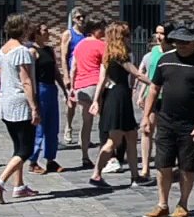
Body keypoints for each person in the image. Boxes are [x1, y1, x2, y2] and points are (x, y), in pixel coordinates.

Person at [141, 22, 194, 217]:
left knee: (187, 167)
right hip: (166, 120)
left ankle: (183, 203)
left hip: (190, 124)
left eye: (186, 42)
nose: (181, 45)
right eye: (178, 41)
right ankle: (162, 204)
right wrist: (146, 116)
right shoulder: (165, 60)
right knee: (163, 165)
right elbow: (154, 88)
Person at [89, 22, 151, 187]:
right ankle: (96, 174)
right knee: (113, 140)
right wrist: (155, 83)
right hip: (119, 97)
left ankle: (135, 176)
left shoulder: (108, 55)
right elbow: (137, 73)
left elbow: (102, 79)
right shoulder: (120, 56)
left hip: (114, 96)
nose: (129, 37)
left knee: (131, 136)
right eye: (125, 34)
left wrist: (96, 100)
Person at [0, 14, 41, 203]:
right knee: (25, 150)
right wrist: (34, 107)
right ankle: (1, 180)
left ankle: (19, 185)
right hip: (20, 103)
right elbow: (26, 81)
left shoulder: (3, 50)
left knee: (17, 146)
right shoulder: (22, 51)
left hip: (6, 102)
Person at [27, 23, 70, 175]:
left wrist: (64, 90)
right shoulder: (32, 51)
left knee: (53, 126)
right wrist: (33, 96)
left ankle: (50, 159)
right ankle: (33, 160)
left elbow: (55, 72)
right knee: (40, 126)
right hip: (40, 88)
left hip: (51, 89)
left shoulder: (49, 50)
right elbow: (30, 76)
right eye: (45, 31)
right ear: (37, 34)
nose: (48, 33)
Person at [136, 22, 171, 181]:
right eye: (157, 32)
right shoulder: (153, 53)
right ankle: (145, 167)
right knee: (147, 130)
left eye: (162, 33)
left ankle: (167, 165)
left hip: (170, 98)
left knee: (167, 134)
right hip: (153, 97)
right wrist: (141, 95)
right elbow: (148, 76)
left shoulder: (175, 52)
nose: (158, 36)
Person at [71, 19, 106, 170]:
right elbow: (106, 67)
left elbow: (74, 67)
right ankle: (105, 154)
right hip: (95, 84)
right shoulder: (102, 45)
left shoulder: (79, 45)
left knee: (86, 123)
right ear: (96, 29)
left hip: (80, 86)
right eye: (102, 29)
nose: (104, 32)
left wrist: (72, 87)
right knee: (104, 122)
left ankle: (84, 155)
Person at [60, 7, 88, 146]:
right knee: (71, 102)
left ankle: (84, 133)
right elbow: (64, 57)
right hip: (73, 72)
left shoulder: (88, 34)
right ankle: (68, 126)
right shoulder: (68, 34)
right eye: (78, 17)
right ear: (73, 19)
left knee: (86, 104)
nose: (81, 19)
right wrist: (65, 75)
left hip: (86, 72)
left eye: (83, 16)